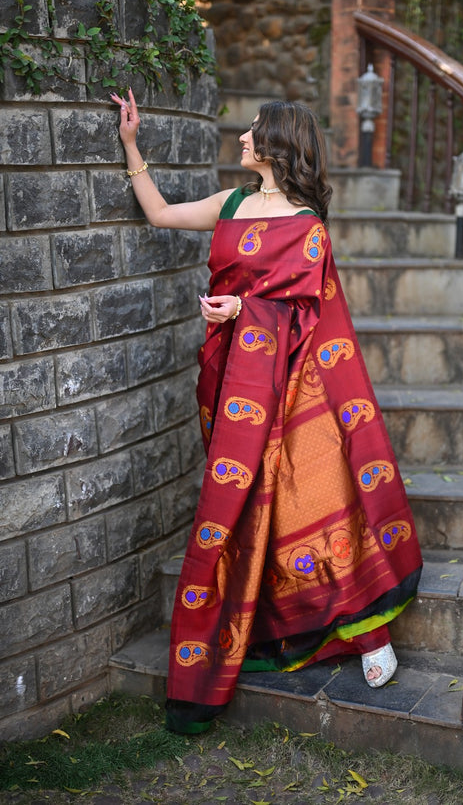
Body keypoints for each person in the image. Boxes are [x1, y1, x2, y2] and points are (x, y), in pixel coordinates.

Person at [111, 89, 423, 734]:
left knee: (315, 501)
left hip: (299, 386)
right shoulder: (231, 203)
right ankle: (261, 624)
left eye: (255, 131)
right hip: (236, 385)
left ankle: (371, 636)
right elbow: (164, 215)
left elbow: (310, 314)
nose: (244, 137)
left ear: (280, 143)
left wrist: (241, 311)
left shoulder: (307, 222)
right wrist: (130, 144)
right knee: (253, 508)